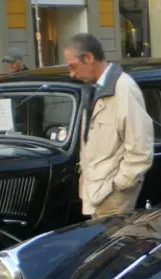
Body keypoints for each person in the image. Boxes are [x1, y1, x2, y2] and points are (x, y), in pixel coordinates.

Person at [63, 33, 154, 219]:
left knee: (113, 246)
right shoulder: (95, 88)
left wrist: (119, 185)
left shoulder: (123, 89)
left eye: (73, 66)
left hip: (113, 195)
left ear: (88, 58)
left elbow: (140, 148)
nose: (72, 74)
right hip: (97, 191)